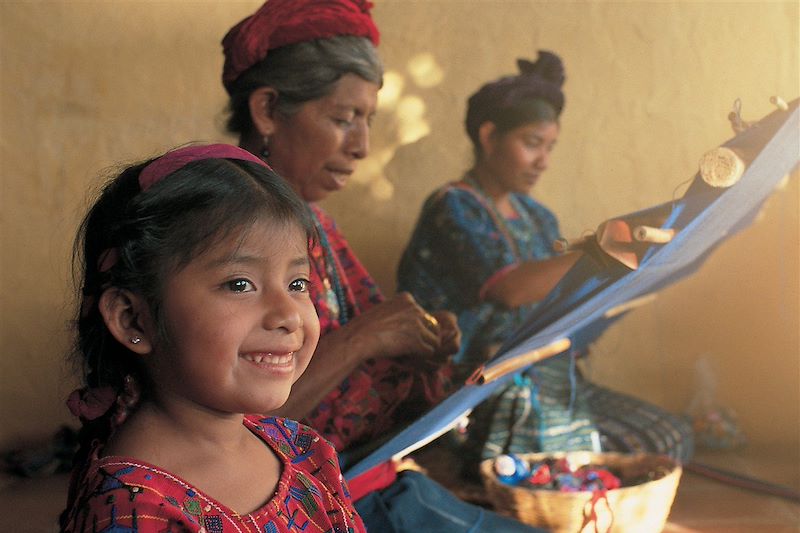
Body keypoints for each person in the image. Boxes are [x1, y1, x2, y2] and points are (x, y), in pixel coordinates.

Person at [221, 2, 544, 531]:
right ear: (267, 110)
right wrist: (361, 341)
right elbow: (225, 421)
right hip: (295, 508)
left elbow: (378, 350)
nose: (362, 147)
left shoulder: (313, 224)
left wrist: (418, 341)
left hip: (365, 481)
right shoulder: (224, 227)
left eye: (367, 121)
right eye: (343, 119)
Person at [397, 51, 694, 476]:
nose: (544, 162)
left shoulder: (538, 217)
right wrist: (602, 254)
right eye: (532, 144)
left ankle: (533, 464)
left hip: (542, 377)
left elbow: (559, 295)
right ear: (488, 136)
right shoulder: (454, 207)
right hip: (474, 389)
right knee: (566, 460)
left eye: (550, 147)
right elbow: (512, 288)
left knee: (668, 439)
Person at [60, 144, 365, 532]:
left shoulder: (303, 451)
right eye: (240, 284)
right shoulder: (132, 511)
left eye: (297, 283)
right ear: (133, 319)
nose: (288, 315)